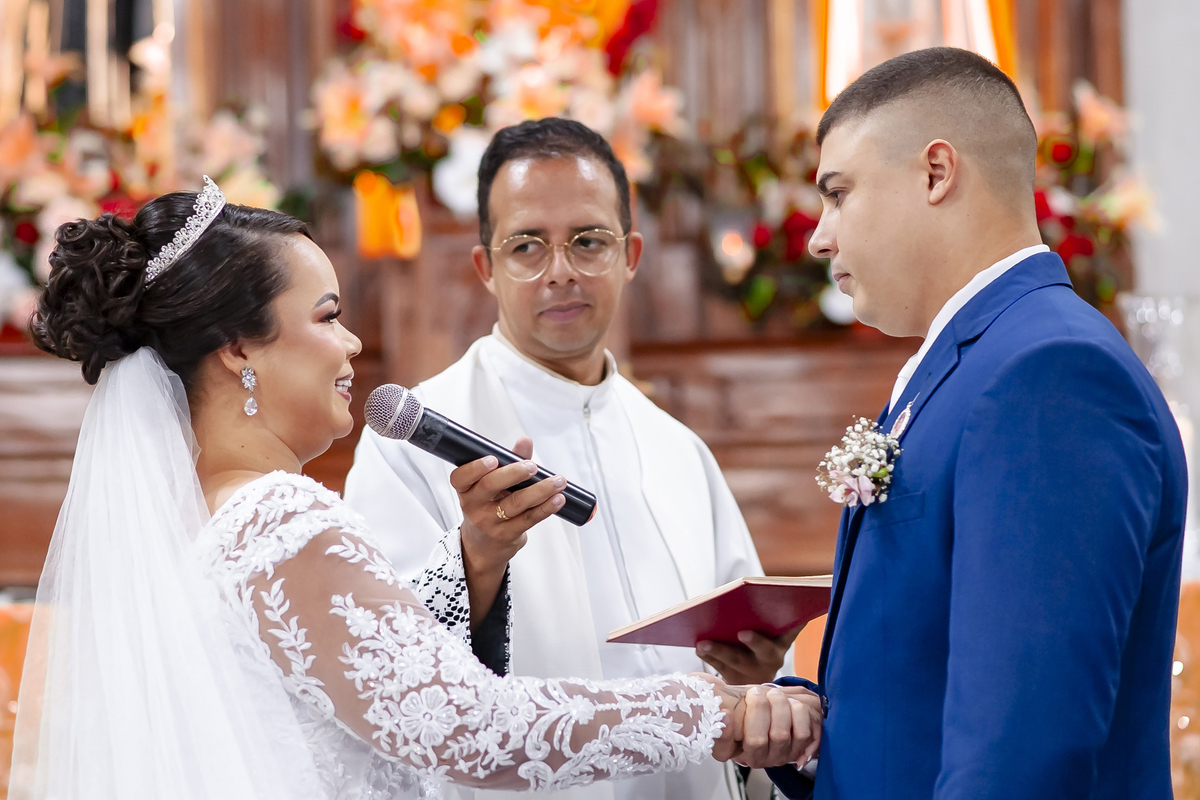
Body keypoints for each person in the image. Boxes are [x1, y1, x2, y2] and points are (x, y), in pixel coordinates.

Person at [9, 178, 823, 799]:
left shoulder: (202, 520)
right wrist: (718, 712)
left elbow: (348, 675)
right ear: (238, 349)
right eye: (326, 316)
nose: (353, 341)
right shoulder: (281, 517)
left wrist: (473, 555)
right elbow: (462, 725)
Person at [764, 47, 1187, 800]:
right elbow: (922, 681)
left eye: (839, 192)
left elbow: (1023, 754)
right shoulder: (976, 360)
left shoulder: (1049, 373)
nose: (818, 238)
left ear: (936, 172)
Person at [344, 118, 796, 800]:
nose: (561, 272)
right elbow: (381, 669)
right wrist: (476, 557)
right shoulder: (413, 443)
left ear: (631, 255)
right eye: (527, 246)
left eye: (589, 242)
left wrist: (754, 669)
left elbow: (747, 649)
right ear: (485, 269)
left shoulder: (678, 448)